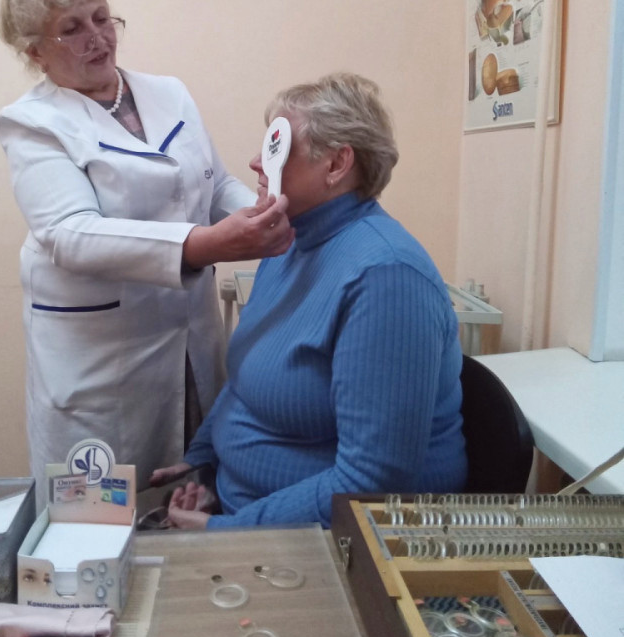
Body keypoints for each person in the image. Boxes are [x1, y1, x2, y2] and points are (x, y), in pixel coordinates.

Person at [0, 0, 293, 504]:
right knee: (100, 515)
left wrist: (268, 213)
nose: (96, 37)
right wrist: (203, 245)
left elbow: (213, 186)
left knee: (188, 499)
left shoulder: (169, 93)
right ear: (35, 51)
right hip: (102, 361)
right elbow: (70, 234)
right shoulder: (32, 122)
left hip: (190, 338)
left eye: (101, 17)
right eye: (71, 28)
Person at [151, 72, 468, 529]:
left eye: (277, 148)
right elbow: (247, 380)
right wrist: (204, 464)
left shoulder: (386, 277)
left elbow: (372, 480)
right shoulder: (289, 244)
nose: (256, 162)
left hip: (335, 541)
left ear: (337, 164)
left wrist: (227, 530)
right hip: (242, 509)